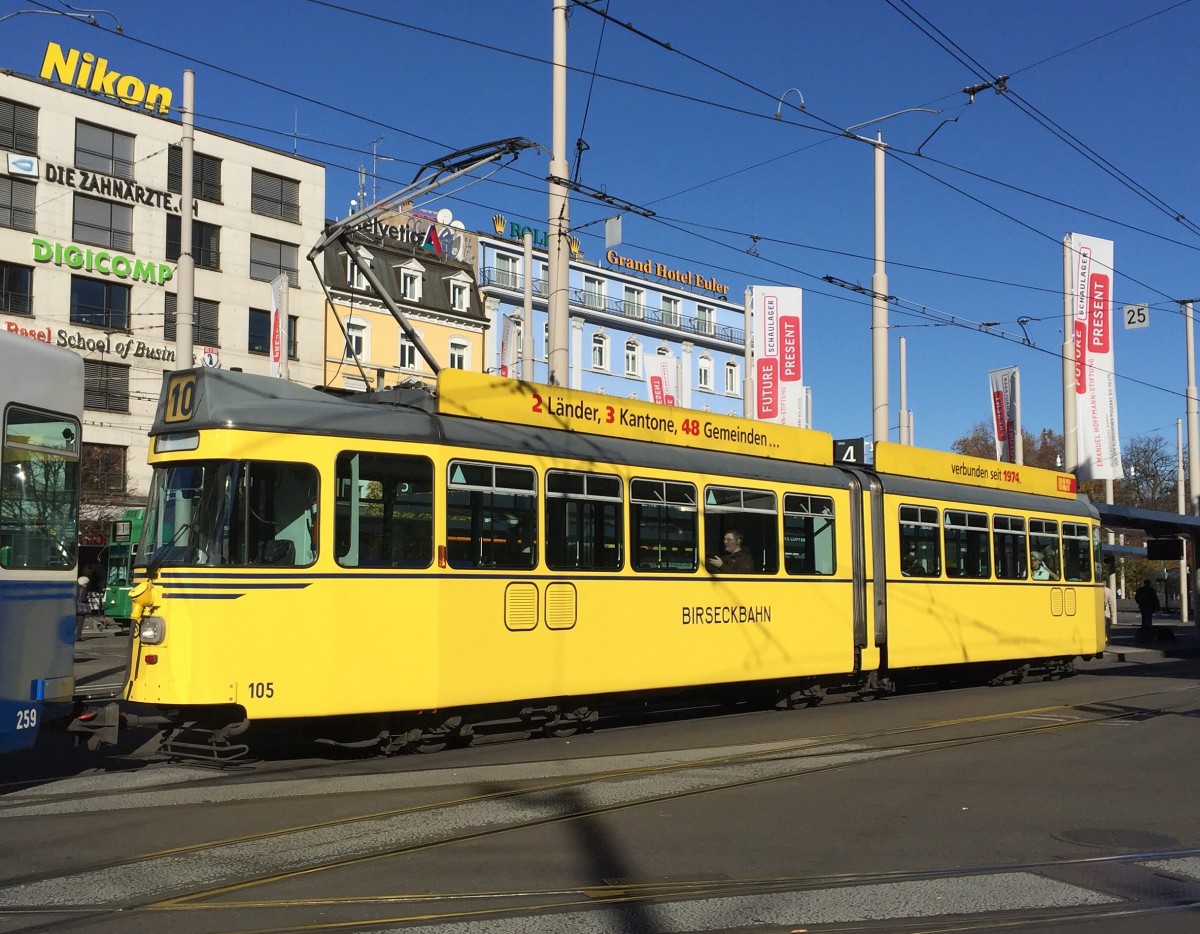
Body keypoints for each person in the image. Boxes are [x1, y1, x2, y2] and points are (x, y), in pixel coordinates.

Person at [74, 575, 90, 642]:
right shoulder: (83, 589)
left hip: (74, 607)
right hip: (81, 609)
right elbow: (83, 598)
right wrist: (87, 599)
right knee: (80, 623)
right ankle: (78, 637)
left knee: (74, 622)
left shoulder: (75, 587)